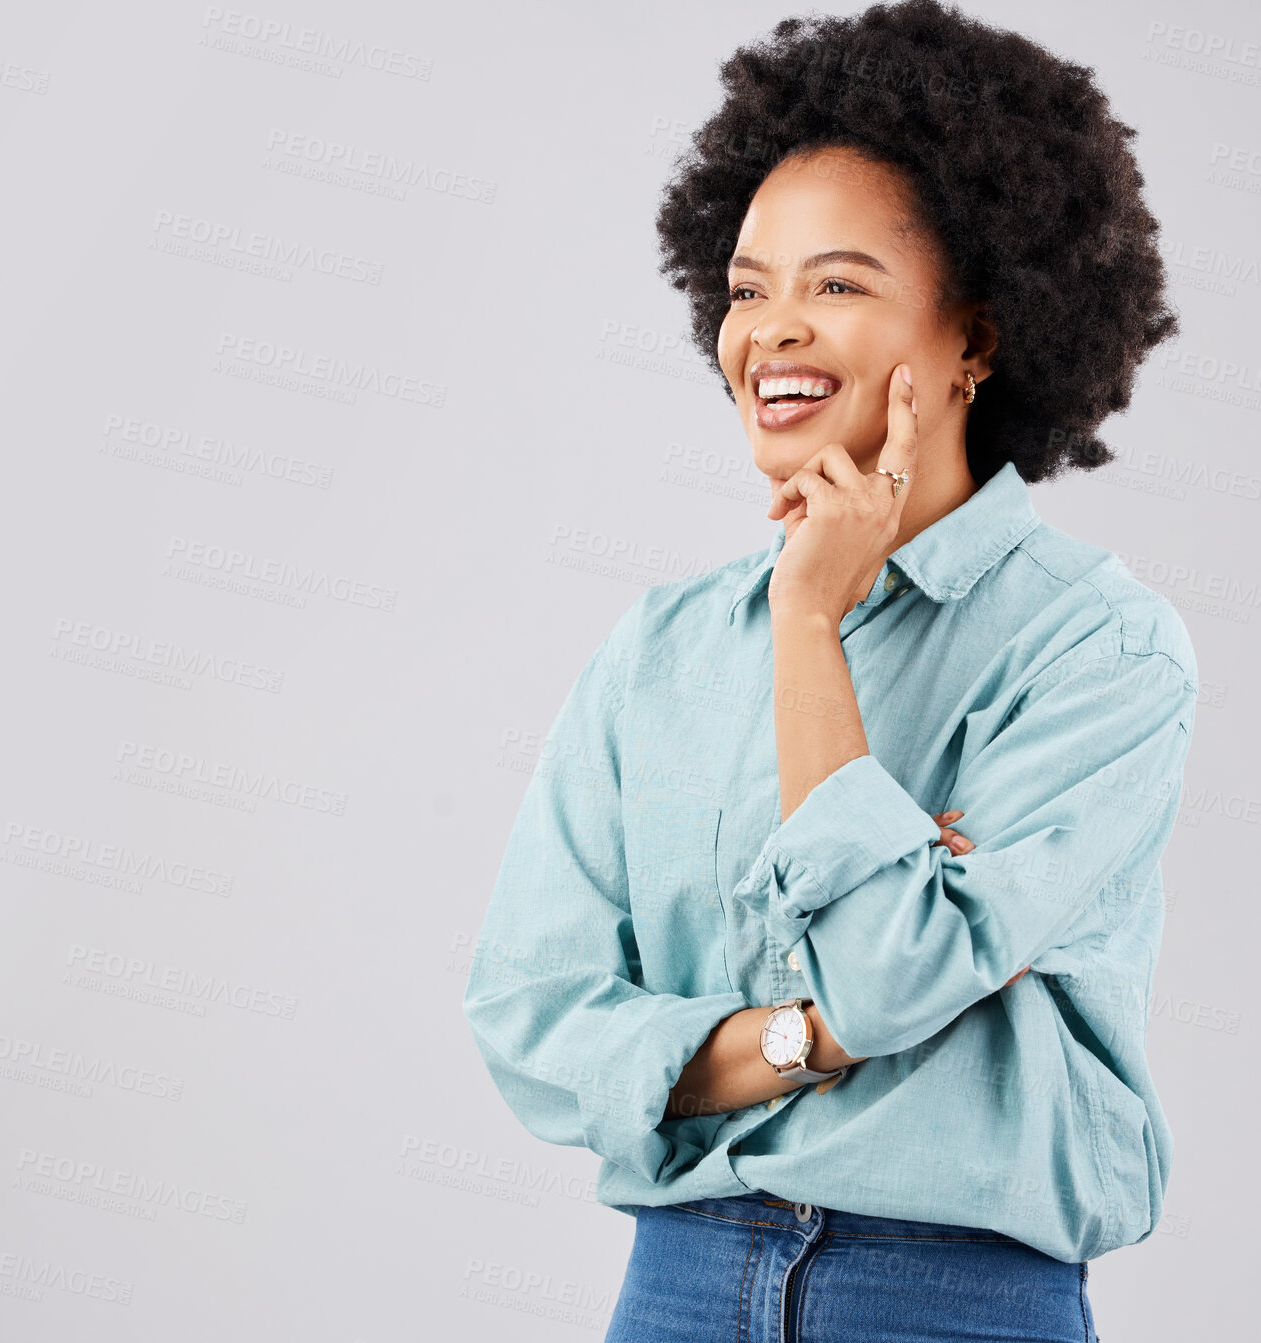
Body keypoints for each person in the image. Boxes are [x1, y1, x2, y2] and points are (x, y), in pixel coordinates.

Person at [462, 3, 1195, 1338]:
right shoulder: (662, 650)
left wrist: (810, 626)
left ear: (975, 333)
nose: (771, 332)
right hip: (679, 1283)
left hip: (951, 1296)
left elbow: (886, 978)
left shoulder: (1099, 649)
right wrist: (810, 1039)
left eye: (837, 284)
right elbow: (532, 1019)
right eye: (749, 289)